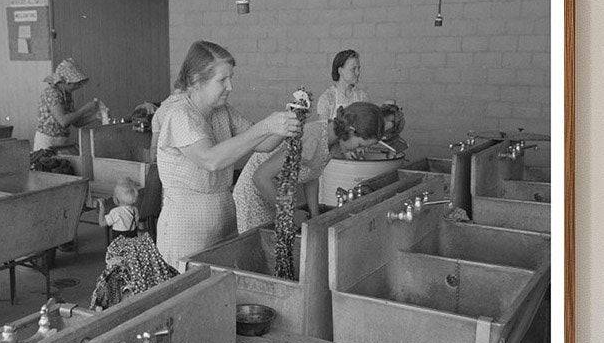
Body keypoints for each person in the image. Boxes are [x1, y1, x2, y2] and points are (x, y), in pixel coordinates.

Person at [151, 40, 301, 266]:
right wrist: (266, 126)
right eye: (222, 80)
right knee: (191, 283)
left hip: (224, 220)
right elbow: (210, 159)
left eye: (231, 78)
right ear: (196, 80)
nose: (230, 86)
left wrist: (286, 123)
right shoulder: (180, 115)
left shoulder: (222, 111)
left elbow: (264, 144)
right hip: (186, 230)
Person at [234, 101, 387, 232]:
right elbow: (260, 177)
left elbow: (311, 176)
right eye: (360, 145)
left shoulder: (333, 142)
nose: (360, 151)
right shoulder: (313, 139)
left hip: (277, 194)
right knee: (263, 245)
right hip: (256, 193)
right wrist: (290, 213)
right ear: (351, 131)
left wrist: (315, 217)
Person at [89, 178, 177, 310]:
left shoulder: (115, 212)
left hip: (119, 245)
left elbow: (102, 223)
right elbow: (139, 226)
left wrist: (101, 208)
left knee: (115, 270)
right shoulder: (135, 210)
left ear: (116, 199)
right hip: (134, 243)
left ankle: (111, 295)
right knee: (131, 268)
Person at [34, 58, 101, 151]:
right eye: (75, 84)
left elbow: (76, 122)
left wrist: (96, 116)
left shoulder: (66, 94)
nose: (78, 86)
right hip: (48, 141)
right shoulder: (52, 93)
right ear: (65, 82)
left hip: (61, 141)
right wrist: (86, 109)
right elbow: (64, 121)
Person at [315, 49, 369, 124]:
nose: (358, 73)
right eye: (353, 69)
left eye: (358, 68)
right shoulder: (327, 99)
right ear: (340, 71)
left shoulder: (362, 97)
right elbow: (323, 129)